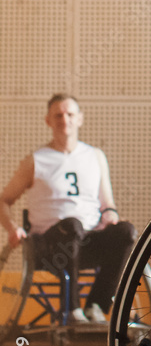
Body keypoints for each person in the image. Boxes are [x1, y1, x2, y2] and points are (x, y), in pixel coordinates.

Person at [0, 94, 135, 324]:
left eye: (70, 114)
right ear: (48, 121)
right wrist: (12, 229)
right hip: (50, 246)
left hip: (88, 241)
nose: (65, 120)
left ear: (80, 119)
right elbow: (4, 199)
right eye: (58, 115)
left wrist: (110, 214)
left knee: (127, 231)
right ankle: (72, 310)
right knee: (72, 225)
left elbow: (108, 204)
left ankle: (96, 304)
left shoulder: (95, 157)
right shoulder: (36, 160)